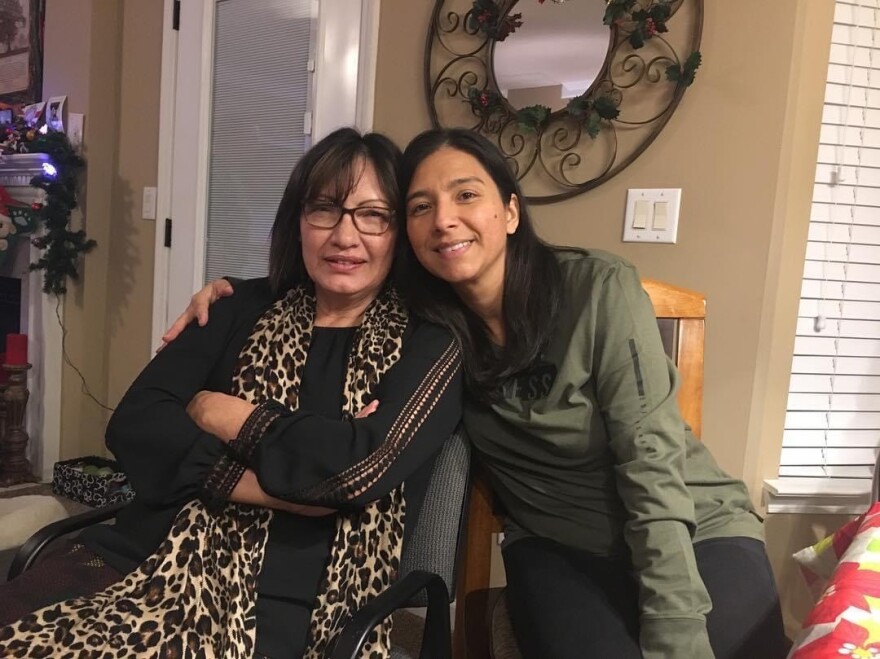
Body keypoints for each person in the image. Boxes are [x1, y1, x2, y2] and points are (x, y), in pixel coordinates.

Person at [168, 128, 788, 659]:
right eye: (419, 207)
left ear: (510, 212)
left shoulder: (597, 290)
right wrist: (231, 294)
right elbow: (332, 272)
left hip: (693, 526)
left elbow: (651, 463)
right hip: (557, 546)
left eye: (466, 195)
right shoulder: (423, 332)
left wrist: (676, 627)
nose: (444, 220)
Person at [0, 127, 462, 659]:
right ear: (298, 221)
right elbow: (136, 422)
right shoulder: (236, 307)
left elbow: (350, 472)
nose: (344, 235)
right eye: (324, 209)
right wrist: (267, 484)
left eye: (373, 215)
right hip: (148, 554)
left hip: (301, 600)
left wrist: (218, 410)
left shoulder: (427, 345)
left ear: (399, 232)